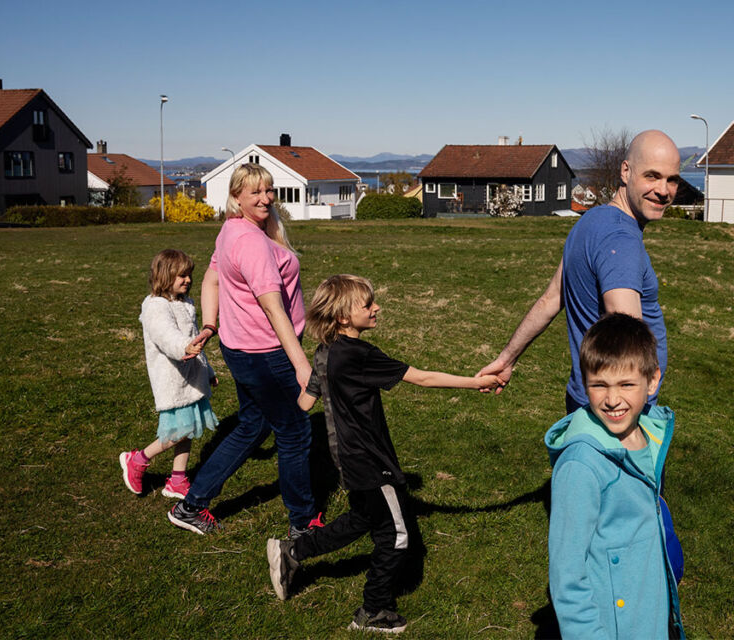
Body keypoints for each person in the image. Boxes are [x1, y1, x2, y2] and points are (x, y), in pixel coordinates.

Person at [265, 274, 502, 633]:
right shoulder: (359, 355)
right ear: (344, 317)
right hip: (371, 462)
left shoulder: (325, 351)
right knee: (396, 535)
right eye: (367, 305)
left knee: (362, 519)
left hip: (345, 458)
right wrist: (477, 382)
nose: (377, 308)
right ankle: (374, 610)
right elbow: (422, 378)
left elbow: (305, 400)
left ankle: (293, 552)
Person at [476, 129, 680, 413]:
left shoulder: (589, 221)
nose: (663, 190)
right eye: (652, 176)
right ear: (625, 171)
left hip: (584, 400)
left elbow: (550, 300)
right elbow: (627, 345)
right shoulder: (621, 241)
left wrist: (507, 359)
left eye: (672, 180)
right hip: (617, 415)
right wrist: (632, 431)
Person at [168, 163, 319, 536]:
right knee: (295, 433)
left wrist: (209, 325)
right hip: (268, 354)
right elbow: (273, 306)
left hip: (242, 352)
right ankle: (304, 525)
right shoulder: (250, 240)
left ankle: (191, 505)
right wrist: (300, 364)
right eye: (255, 192)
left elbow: (211, 279)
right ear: (236, 197)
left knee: (253, 425)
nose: (266, 198)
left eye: (269, 190)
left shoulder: (232, 230)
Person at [546, 313, 684, 639]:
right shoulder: (581, 466)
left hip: (649, 616)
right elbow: (567, 576)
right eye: (599, 385)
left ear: (652, 381)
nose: (612, 399)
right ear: (584, 382)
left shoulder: (649, 436)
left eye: (626, 385)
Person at [120, 249, 218, 500]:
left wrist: (207, 371)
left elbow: (196, 339)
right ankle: (138, 459)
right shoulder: (155, 306)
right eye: (181, 276)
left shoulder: (186, 304)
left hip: (192, 378)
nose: (187, 280)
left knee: (190, 429)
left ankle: (177, 479)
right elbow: (166, 335)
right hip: (172, 378)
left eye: (189, 275)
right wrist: (183, 347)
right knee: (178, 430)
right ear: (165, 277)